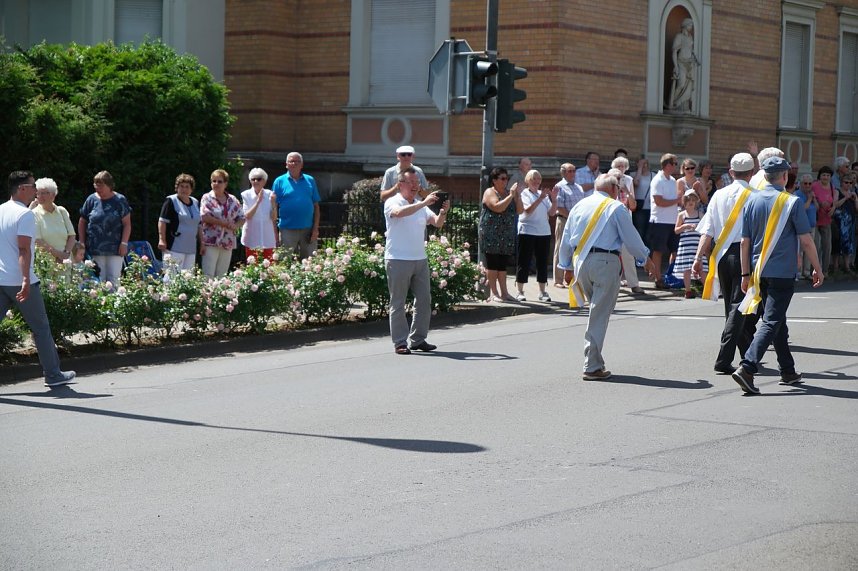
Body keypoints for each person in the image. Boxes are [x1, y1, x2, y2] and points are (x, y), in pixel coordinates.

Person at [732, 156, 823, 395]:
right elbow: (806, 240)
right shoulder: (791, 202)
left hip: (758, 271)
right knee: (772, 321)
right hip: (782, 272)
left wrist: (744, 274)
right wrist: (818, 267)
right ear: (784, 176)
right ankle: (748, 367)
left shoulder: (751, 200)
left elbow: (744, 242)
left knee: (777, 320)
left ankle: (788, 371)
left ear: (765, 176)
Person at [558, 173, 656, 380]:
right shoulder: (615, 207)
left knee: (597, 312)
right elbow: (631, 238)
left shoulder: (579, 206)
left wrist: (566, 266)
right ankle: (592, 365)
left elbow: (566, 238)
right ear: (613, 189)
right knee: (599, 315)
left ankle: (595, 362)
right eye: (618, 189)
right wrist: (645, 259)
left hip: (581, 262)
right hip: (605, 262)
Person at [1, 171, 76, 387]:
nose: (36, 191)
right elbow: (24, 249)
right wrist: (26, 279)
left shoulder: (1, 210)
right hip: (20, 281)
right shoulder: (25, 214)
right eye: (33, 186)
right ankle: (53, 375)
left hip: (1, 279)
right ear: (22, 188)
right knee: (41, 328)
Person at [693, 152, 758, 375]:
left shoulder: (719, 195)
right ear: (752, 173)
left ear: (731, 172)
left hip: (721, 255)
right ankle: (724, 358)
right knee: (739, 307)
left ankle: (748, 353)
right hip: (745, 254)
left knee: (731, 306)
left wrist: (698, 257)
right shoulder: (755, 195)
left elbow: (707, 231)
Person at [383, 167, 448, 355]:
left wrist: (443, 212)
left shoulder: (421, 205)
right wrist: (424, 203)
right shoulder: (392, 202)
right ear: (400, 184)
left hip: (420, 259)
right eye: (411, 182)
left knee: (424, 300)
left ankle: (418, 339)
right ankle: (400, 342)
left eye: (417, 182)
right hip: (397, 259)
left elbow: (437, 223)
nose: (415, 186)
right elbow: (399, 213)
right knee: (398, 302)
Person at [78, 170, 131, 287]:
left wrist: (124, 243)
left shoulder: (120, 200)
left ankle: (114, 299)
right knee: (96, 279)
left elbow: (127, 224)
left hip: (115, 248)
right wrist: (81, 242)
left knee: (114, 279)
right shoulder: (91, 199)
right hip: (94, 247)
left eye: (101, 186)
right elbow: (82, 221)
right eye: (96, 186)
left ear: (109, 185)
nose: (98, 189)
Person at [479, 167, 522, 302]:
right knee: (493, 263)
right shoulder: (489, 192)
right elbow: (498, 207)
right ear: (494, 180)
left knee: (502, 265)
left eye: (506, 178)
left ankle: (505, 293)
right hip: (491, 233)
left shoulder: (509, 193)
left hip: (506, 233)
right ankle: (494, 293)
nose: (505, 181)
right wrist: (511, 196)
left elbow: (520, 210)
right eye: (502, 178)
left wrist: (518, 196)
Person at [514, 169, 557, 302]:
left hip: (543, 232)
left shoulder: (541, 194)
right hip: (527, 231)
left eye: (539, 179)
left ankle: (542, 291)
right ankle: (520, 291)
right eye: (534, 179)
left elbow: (551, 213)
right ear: (528, 180)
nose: (537, 182)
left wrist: (554, 199)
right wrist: (540, 198)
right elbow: (527, 211)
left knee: (542, 262)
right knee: (524, 261)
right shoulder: (525, 194)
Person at [272, 152, 320, 260]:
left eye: (297, 161)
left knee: (310, 261)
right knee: (285, 261)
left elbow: (316, 206)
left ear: (302, 165)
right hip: (287, 229)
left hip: (308, 228)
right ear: (286, 164)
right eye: (291, 161)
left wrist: (315, 229)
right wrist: (275, 231)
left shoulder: (310, 180)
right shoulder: (279, 181)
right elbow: (273, 207)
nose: (294, 163)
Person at [200, 169, 244, 277]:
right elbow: (204, 217)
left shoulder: (232, 199)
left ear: (225, 184)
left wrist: (236, 225)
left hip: (227, 241)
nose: (216, 184)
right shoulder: (207, 198)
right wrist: (222, 223)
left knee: (222, 275)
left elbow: (242, 217)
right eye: (214, 181)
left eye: (219, 181)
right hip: (211, 240)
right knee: (208, 274)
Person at [552, 163, 589, 288]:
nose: (573, 173)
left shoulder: (579, 187)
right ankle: (558, 280)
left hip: (577, 223)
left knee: (576, 248)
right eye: (570, 171)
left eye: (574, 170)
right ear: (563, 173)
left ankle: (573, 277)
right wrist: (572, 217)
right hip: (564, 220)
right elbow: (559, 207)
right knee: (561, 248)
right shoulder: (560, 187)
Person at [610, 158, 643, 294]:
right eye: (618, 166)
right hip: (611, 224)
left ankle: (633, 284)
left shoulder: (628, 180)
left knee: (628, 254)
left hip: (626, 222)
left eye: (623, 166)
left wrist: (627, 191)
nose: (621, 169)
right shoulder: (607, 182)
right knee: (612, 255)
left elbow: (633, 206)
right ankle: (613, 284)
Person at [647, 153, 680, 288]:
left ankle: (673, 276)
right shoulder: (657, 180)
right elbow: (659, 201)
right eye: (675, 164)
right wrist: (677, 200)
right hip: (659, 221)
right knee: (658, 251)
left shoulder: (672, 180)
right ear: (668, 165)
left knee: (675, 250)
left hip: (673, 220)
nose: (676, 166)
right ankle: (658, 278)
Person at [157, 173, 201, 272]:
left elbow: (199, 225)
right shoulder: (171, 201)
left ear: (191, 189)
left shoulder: (195, 202)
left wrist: (202, 243)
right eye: (181, 186)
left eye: (187, 187)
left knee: (188, 276)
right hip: (174, 246)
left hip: (190, 247)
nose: (184, 189)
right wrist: (162, 239)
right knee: (171, 275)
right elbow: (162, 221)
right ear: (177, 187)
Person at [31, 177, 76, 263]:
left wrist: (66, 253)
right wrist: (58, 254)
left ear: (53, 195)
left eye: (43, 193)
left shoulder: (62, 211)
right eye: (38, 193)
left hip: (66, 261)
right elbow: (38, 240)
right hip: (46, 263)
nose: (39, 196)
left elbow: (72, 235)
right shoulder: (34, 214)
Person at [673, 189, 706, 298]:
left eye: (693, 200)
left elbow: (706, 228)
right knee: (686, 268)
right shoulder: (682, 215)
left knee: (701, 268)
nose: (691, 202)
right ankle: (688, 290)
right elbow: (676, 230)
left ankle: (707, 289)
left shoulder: (700, 214)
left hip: (697, 245)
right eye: (688, 200)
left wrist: (698, 228)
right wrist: (685, 226)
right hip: (686, 245)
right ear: (684, 202)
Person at [240, 168, 277, 262]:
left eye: (259, 179)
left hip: (267, 237)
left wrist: (273, 203)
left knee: (269, 266)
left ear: (264, 181)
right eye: (253, 179)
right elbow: (247, 216)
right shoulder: (246, 195)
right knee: (252, 266)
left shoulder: (270, 194)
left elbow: (274, 217)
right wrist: (258, 201)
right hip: (252, 237)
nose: (256, 181)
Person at [669, 18, 697, 113]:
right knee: (681, 83)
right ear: (685, 26)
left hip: (689, 64)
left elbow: (691, 51)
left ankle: (684, 105)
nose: (691, 27)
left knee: (688, 85)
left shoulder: (690, 37)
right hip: (681, 63)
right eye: (690, 25)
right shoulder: (679, 36)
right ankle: (674, 102)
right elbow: (674, 52)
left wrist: (694, 58)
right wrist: (676, 66)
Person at [812, 165, 837, 274]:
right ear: (820, 176)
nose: (825, 177)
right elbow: (810, 197)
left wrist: (833, 208)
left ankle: (825, 271)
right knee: (816, 246)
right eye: (823, 175)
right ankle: (815, 270)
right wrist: (817, 202)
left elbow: (834, 202)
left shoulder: (832, 187)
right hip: (815, 220)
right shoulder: (814, 185)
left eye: (828, 175)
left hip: (826, 220)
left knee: (827, 247)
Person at [833, 173, 857, 273]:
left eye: (850, 183)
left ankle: (847, 266)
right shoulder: (837, 191)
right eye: (846, 182)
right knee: (837, 242)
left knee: (848, 243)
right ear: (841, 183)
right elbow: (835, 204)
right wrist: (845, 198)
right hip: (839, 221)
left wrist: (855, 199)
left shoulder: (853, 193)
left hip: (850, 221)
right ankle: (835, 266)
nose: (848, 184)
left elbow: (857, 209)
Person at [795, 174, 818, 278]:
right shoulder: (797, 195)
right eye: (805, 183)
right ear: (801, 184)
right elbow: (802, 209)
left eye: (810, 183)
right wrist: (809, 199)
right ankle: (799, 272)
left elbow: (817, 208)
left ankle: (807, 271)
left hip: (811, 226)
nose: (808, 186)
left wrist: (814, 199)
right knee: (800, 251)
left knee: (810, 250)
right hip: (801, 227)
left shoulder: (811, 194)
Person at [632, 156, 656, 245]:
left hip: (651, 207)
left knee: (649, 233)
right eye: (642, 164)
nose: (644, 166)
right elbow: (636, 183)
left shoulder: (654, 175)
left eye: (646, 163)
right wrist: (639, 169)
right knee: (640, 231)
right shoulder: (633, 175)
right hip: (639, 208)